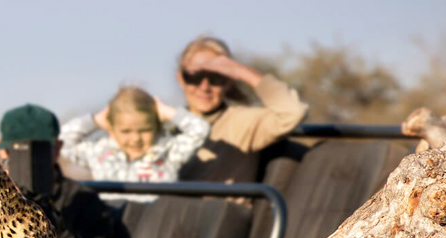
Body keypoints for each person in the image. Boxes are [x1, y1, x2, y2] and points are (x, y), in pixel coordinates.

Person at [0, 104, 129, 238]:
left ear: (57, 149)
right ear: (3, 151)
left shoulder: (83, 200)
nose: (30, 161)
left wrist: (52, 222)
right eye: (18, 152)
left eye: (39, 152)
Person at [174, 35, 309, 183]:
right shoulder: (164, 124)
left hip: (221, 206)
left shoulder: (242, 122)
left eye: (216, 78)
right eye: (194, 77)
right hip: (168, 206)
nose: (205, 87)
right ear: (181, 79)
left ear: (229, 81)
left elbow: (292, 112)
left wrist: (242, 72)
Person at [59, 87, 209, 207]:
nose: (135, 139)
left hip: (157, 229)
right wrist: (95, 120)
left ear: (157, 125)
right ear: (110, 127)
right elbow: (63, 141)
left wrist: (166, 111)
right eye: (126, 131)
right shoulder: (100, 152)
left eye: (145, 130)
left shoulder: (168, 152)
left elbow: (200, 130)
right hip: (114, 229)